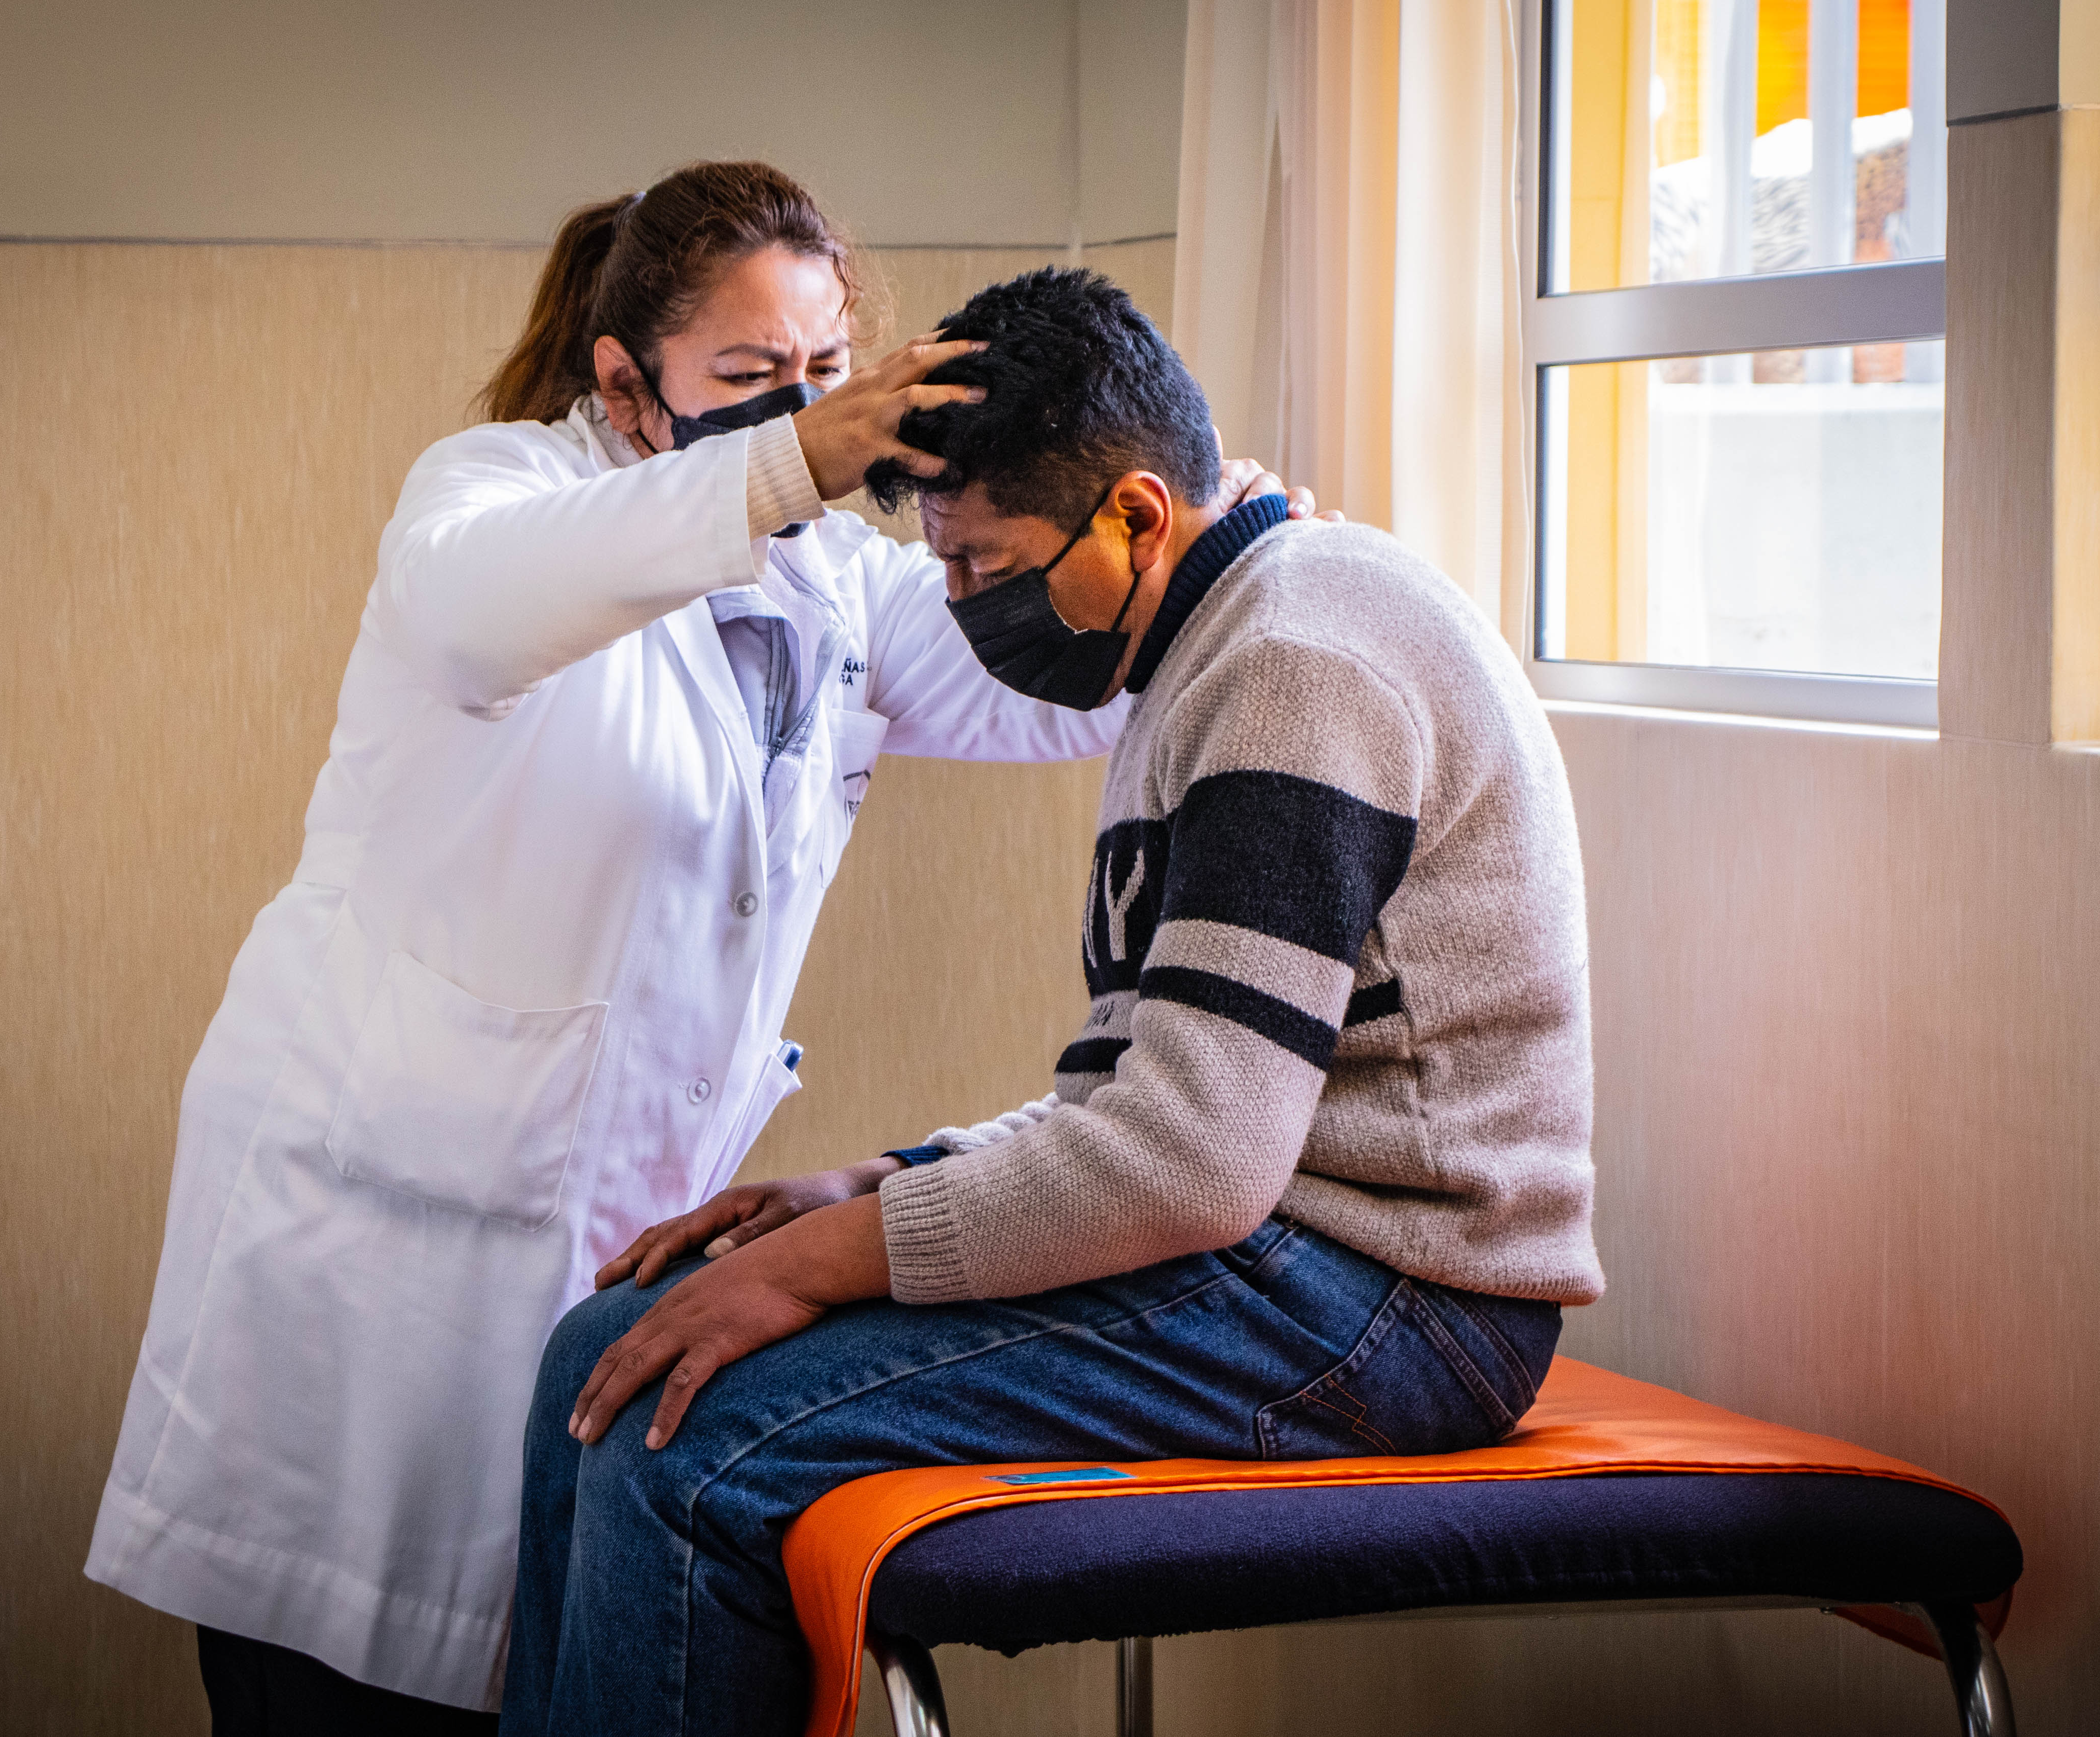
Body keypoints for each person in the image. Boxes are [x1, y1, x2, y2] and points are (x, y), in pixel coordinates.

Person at [85, 163, 1317, 1731]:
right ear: (625, 381)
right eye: (754, 384)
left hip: (596, 1259)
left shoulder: (845, 590)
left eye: (827, 375)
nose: (815, 420)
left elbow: (1062, 664)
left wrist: (1226, 554)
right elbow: (479, 611)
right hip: (371, 1278)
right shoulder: (488, 495)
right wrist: (799, 457)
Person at [502, 266, 1605, 1737]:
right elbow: (1147, 1103)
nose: (962, 606)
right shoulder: (1213, 652)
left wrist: (828, 1258)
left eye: (988, 564)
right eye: (947, 567)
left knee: (681, 1437)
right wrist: (883, 1180)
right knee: (612, 1347)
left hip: (1394, 1298)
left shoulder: (1294, 659)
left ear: (1140, 515)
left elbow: (1187, 1163)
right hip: (1293, 1247)